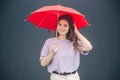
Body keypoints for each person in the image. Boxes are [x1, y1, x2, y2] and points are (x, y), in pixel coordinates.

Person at [39, 14, 93, 80]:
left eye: (65, 25)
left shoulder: (74, 42)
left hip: (72, 77)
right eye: (60, 24)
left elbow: (89, 47)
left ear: (70, 27)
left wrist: (76, 31)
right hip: (56, 77)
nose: (62, 28)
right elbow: (43, 64)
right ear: (57, 25)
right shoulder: (49, 42)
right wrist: (52, 53)